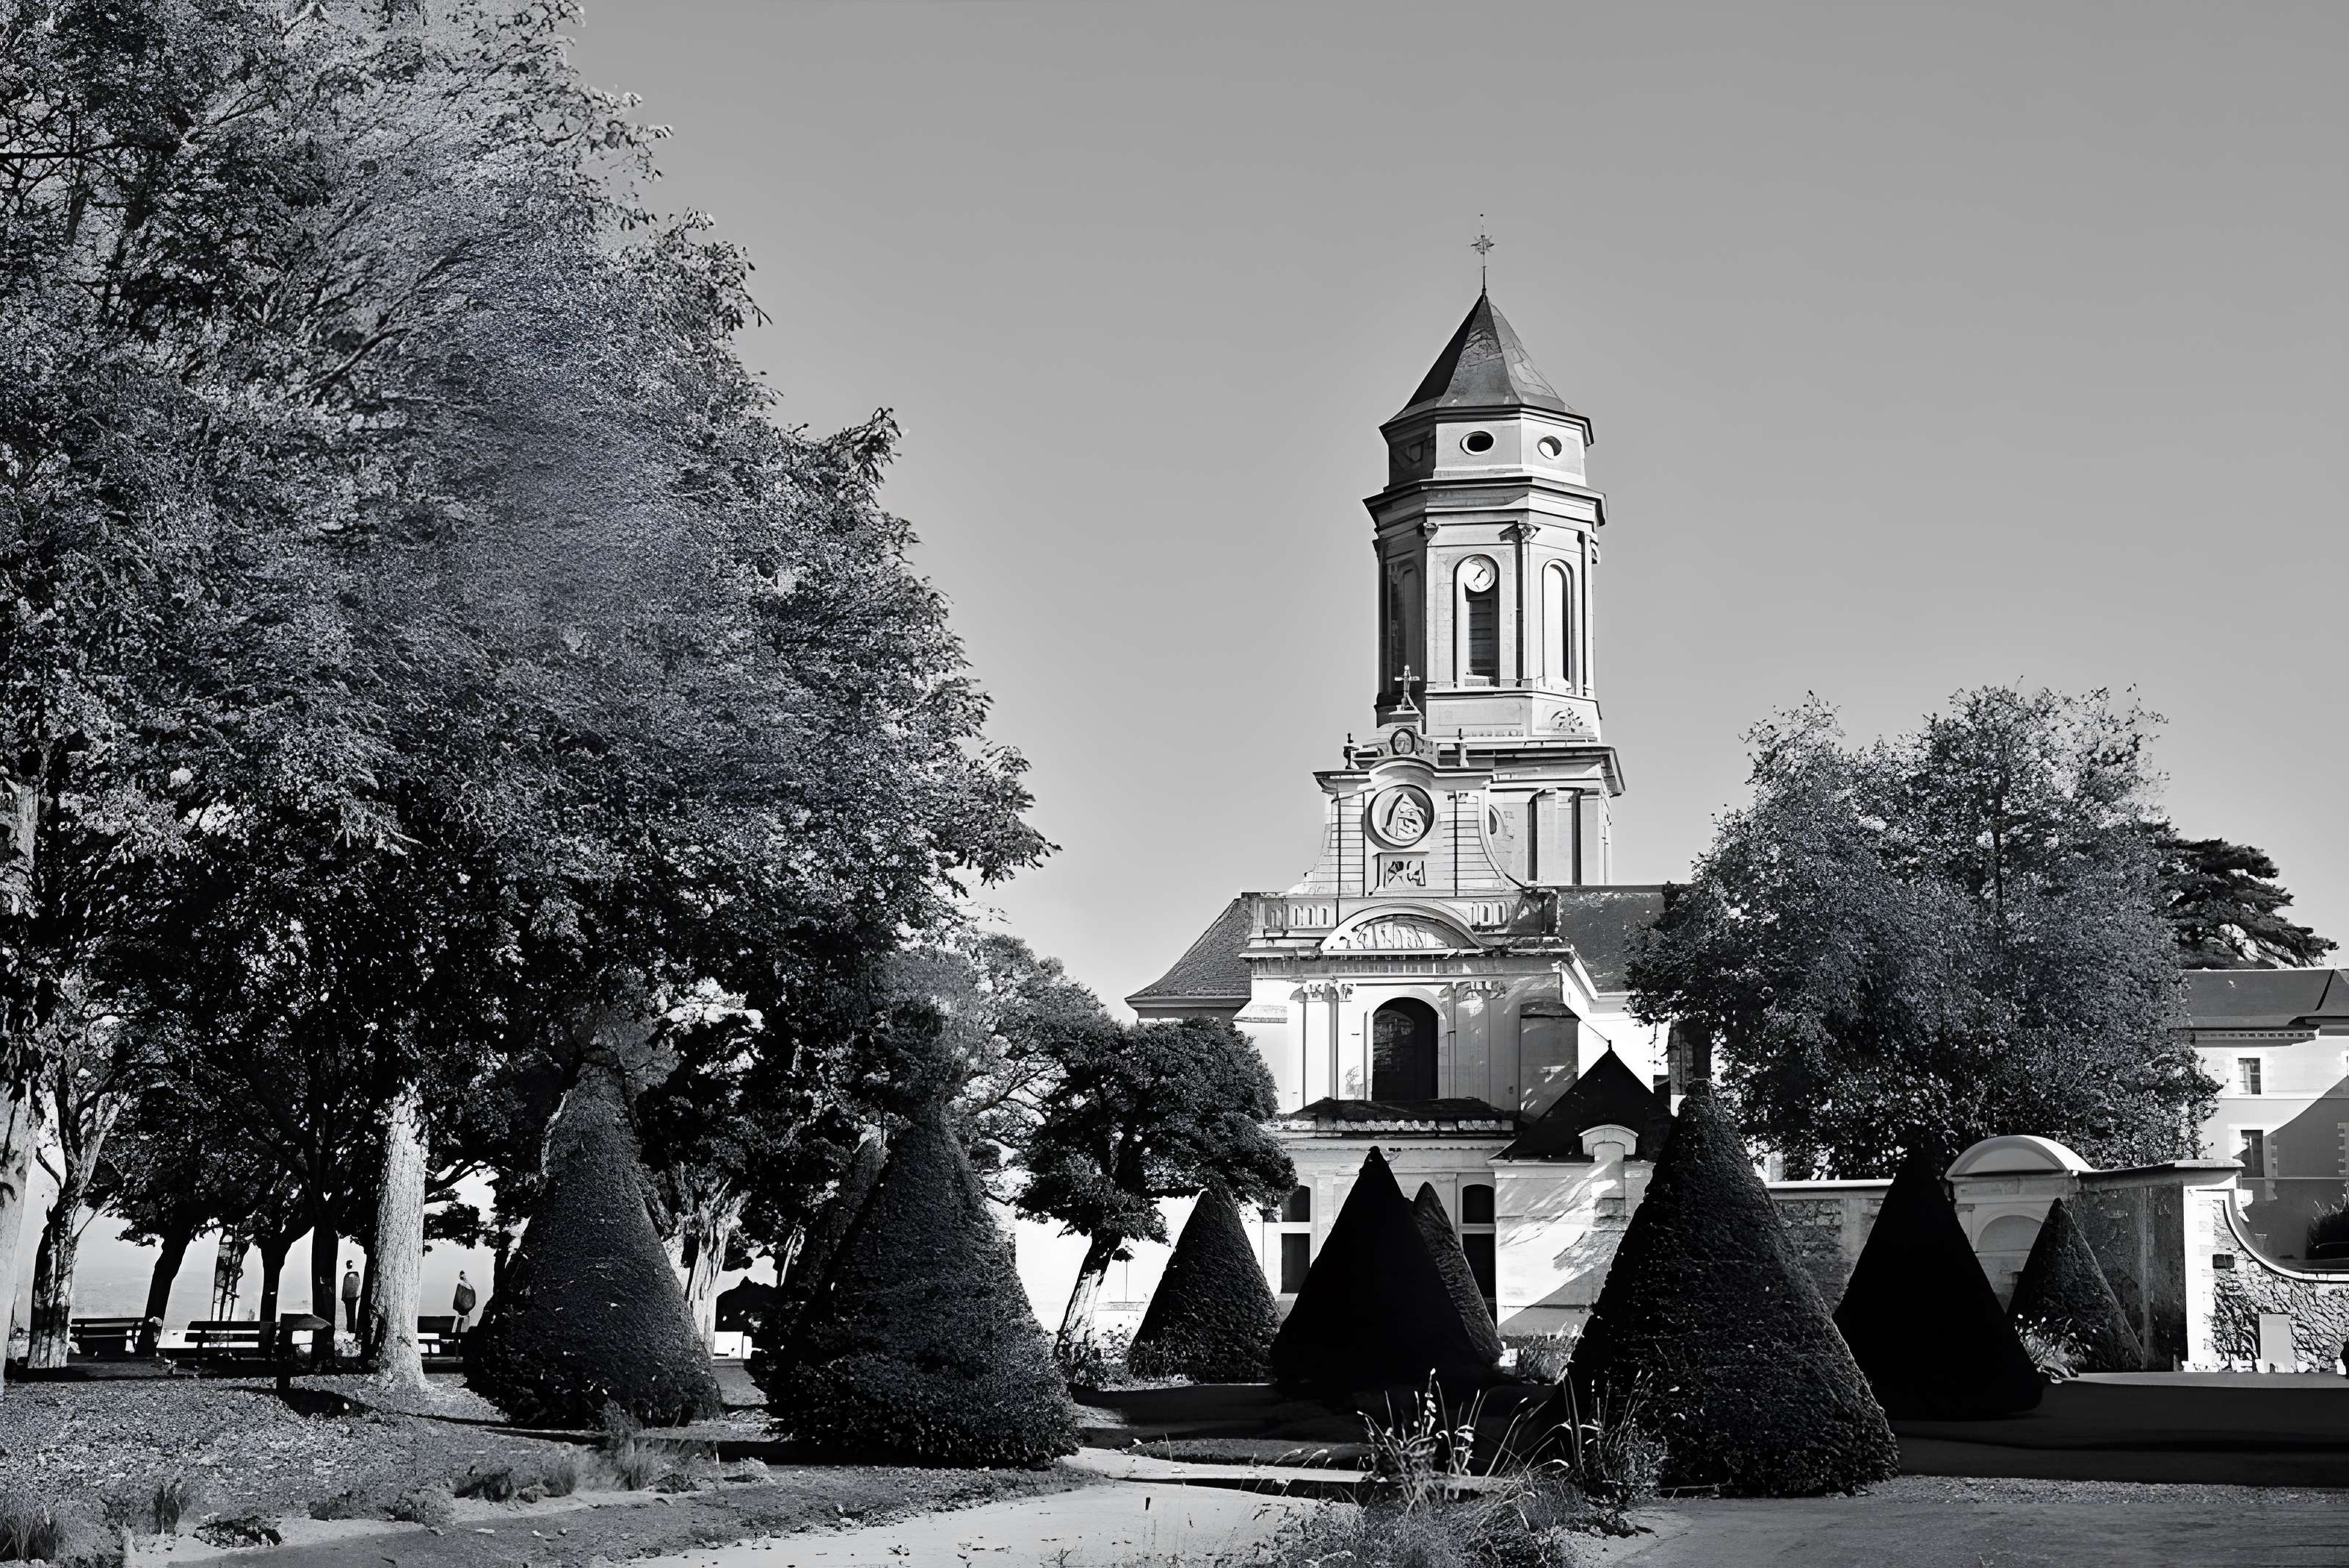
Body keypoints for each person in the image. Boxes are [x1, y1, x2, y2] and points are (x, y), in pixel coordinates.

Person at [340, 1260, 361, 1335]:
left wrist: (343, 1297)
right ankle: (351, 1329)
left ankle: (351, 1329)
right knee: (352, 1314)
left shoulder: (348, 1275)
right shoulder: (356, 1275)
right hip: (353, 1298)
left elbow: (345, 1288)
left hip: (349, 1298)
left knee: (350, 1315)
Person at [452, 1271, 477, 1335]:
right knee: (464, 1331)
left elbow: (457, 1301)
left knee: (461, 1331)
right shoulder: (469, 1287)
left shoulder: (461, 1285)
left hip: (463, 1315)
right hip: (464, 1315)